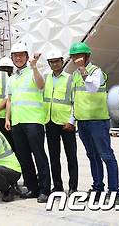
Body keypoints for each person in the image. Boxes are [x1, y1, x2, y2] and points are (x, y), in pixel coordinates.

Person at [70, 42, 119, 203]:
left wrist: (83, 70)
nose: (77, 59)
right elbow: (75, 99)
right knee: (92, 156)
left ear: (87, 56)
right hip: (83, 123)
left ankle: (114, 192)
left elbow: (92, 87)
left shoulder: (95, 71)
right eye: (74, 56)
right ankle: (98, 188)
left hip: (98, 122)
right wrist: (72, 120)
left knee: (106, 156)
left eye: (79, 56)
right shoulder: (76, 74)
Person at [5, 42, 50, 203]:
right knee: (24, 158)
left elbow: (41, 85)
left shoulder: (33, 72)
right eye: (15, 56)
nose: (18, 58)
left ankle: (45, 189)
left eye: (21, 55)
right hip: (17, 122)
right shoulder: (11, 78)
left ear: (26, 56)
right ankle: (32, 188)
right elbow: (9, 99)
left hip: (33, 121)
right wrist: (7, 118)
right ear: (12, 58)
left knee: (39, 156)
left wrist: (35, 67)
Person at [43, 48, 77, 195]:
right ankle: (57, 186)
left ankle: (73, 186)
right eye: (52, 62)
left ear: (62, 62)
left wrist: (71, 121)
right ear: (49, 64)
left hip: (66, 124)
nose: (55, 64)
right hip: (50, 122)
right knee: (54, 156)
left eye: (57, 61)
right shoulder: (45, 77)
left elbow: (76, 102)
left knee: (71, 156)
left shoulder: (70, 78)